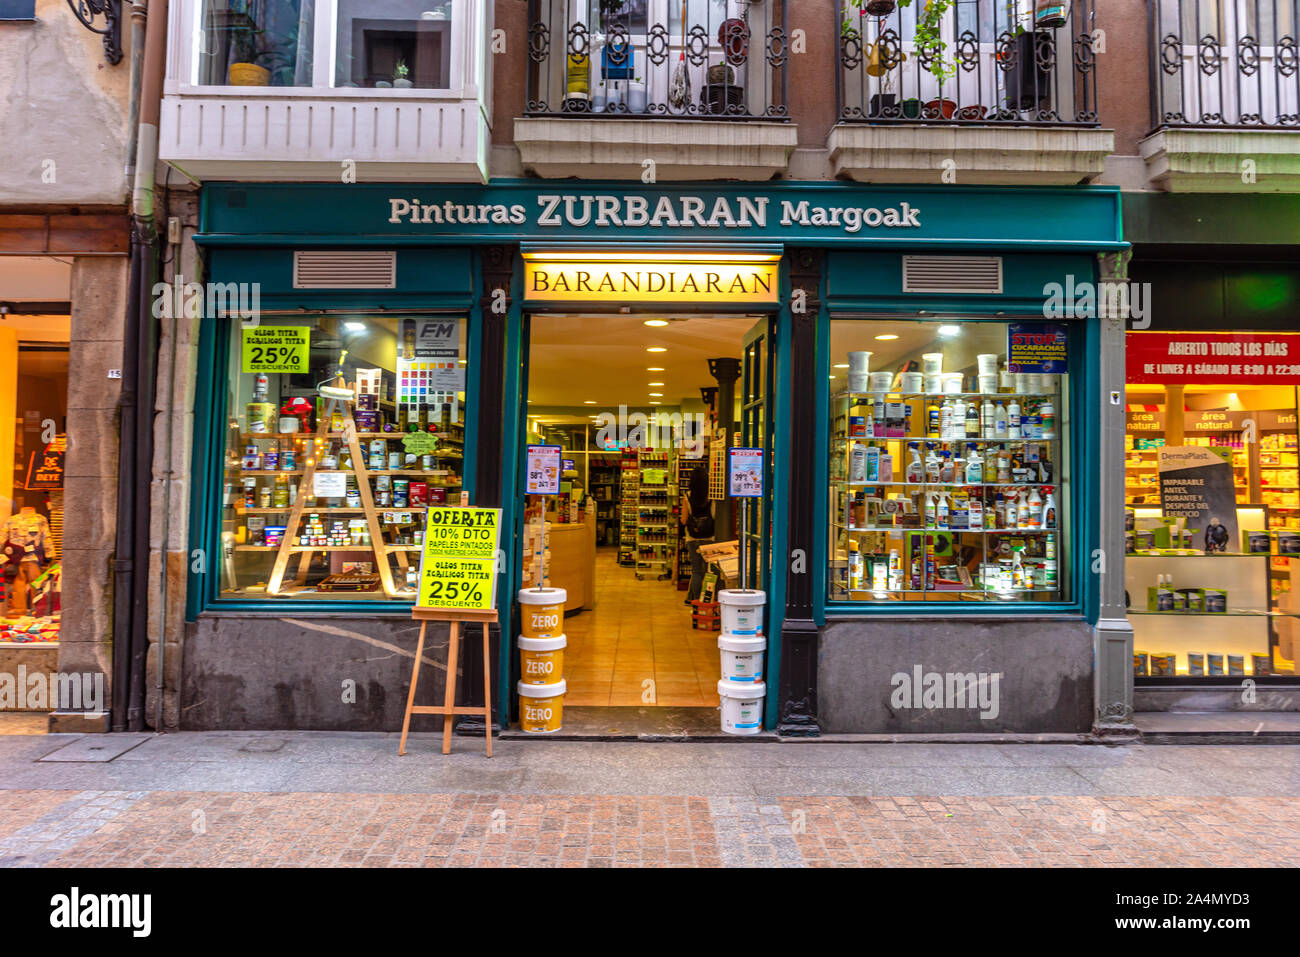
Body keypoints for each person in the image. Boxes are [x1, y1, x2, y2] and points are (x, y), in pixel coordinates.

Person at [681, 465, 715, 605]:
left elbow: (683, 520)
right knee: (710, 570)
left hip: (692, 539)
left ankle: (693, 599)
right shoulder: (712, 496)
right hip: (710, 538)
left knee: (696, 571)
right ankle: (708, 599)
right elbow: (715, 516)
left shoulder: (687, 496)